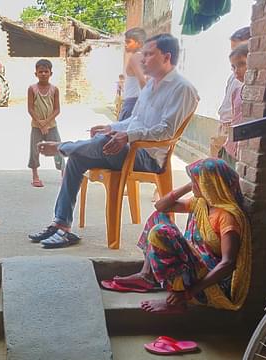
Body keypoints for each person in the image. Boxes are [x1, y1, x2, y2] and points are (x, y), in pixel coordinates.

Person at [29, 34, 198, 248]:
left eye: (148, 54)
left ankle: (62, 147)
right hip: (129, 148)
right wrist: (112, 128)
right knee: (79, 158)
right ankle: (62, 226)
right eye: (143, 54)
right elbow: (135, 120)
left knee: (101, 143)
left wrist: (127, 136)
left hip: (148, 157)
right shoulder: (150, 86)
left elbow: (166, 131)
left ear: (166, 57)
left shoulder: (182, 89)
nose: (143, 59)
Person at [106, 159, 251, 314]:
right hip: (194, 262)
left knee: (160, 233)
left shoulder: (227, 216)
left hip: (208, 277)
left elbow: (228, 263)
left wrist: (189, 293)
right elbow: (161, 206)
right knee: (157, 217)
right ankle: (146, 276)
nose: (193, 184)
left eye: (197, 181)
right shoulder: (202, 203)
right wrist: (190, 186)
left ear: (210, 185)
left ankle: (177, 299)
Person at [210, 26, 250, 158]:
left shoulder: (249, 84)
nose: (235, 54)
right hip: (225, 130)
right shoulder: (234, 77)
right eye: (233, 50)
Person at [27, 59, 64, 188]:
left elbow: (57, 109)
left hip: (51, 126)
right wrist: (40, 123)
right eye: (40, 71)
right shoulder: (32, 89)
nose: (43, 74)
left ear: (51, 73)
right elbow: (30, 109)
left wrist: (46, 123)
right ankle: (35, 176)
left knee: (59, 148)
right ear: (35, 73)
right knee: (34, 150)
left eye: (46, 71)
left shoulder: (54, 89)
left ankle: (64, 174)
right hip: (36, 127)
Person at [218, 43, 248, 169]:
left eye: (241, 64)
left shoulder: (259, 98)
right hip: (229, 149)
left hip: (244, 155)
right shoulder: (236, 92)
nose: (236, 71)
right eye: (233, 67)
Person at [119, 27, 147, 121]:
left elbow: (142, 80)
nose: (125, 45)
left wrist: (148, 100)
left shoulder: (136, 57)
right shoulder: (144, 58)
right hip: (136, 101)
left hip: (132, 103)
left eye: (128, 42)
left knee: (120, 133)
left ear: (139, 43)